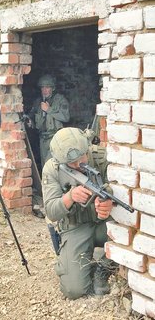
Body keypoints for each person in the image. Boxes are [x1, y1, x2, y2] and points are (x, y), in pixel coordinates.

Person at [42, 127, 117, 300]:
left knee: (130, 235)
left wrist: (108, 201)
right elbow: (52, 211)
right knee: (74, 290)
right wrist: (70, 197)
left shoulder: (101, 157)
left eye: (81, 158)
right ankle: (73, 260)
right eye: (72, 163)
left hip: (102, 224)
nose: (78, 165)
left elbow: (121, 188)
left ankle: (104, 267)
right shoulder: (52, 169)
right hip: (75, 227)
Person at [29, 74, 70, 170]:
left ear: (53, 88)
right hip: (43, 138)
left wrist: (48, 110)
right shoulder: (38, 102)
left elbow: (66, 117)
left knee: (53, 166)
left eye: (47, 87)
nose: (44, 90)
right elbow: (33, 116)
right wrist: (31, 122)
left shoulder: (60, 100)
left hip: (55, 138)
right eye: (42, 88)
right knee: (45, 166)